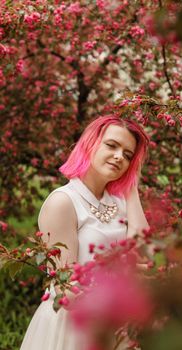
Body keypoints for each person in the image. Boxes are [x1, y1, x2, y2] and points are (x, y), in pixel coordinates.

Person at [20, 115, 149, 350]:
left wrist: (132, 187)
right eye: (111, 145)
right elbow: (65, 289)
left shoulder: (119, 204)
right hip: (72, 329)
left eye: (128, 155)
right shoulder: (63, 202)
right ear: (90, 144)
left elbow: (142, 252)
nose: (120, 156)